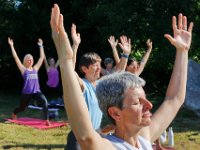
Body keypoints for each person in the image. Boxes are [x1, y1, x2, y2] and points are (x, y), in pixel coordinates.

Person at [51, 4, 193, 149]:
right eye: (137, 102)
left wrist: (182, 51)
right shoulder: (113, 147)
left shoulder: (144, 139)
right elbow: (86, 137)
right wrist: (66, 62)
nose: (149, 105)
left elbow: (174, 99)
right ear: (116, 113)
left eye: (145, 98)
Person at [65, 24, 131, 150]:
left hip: (96, 135)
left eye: (99, 65)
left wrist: (125, 55)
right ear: (84, 69)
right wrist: (75, 45)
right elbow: (69, 70)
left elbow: (118, 73)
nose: (99, 68)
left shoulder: (100, 85)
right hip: (79, 138)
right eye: (95, 65)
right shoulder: (82, 84)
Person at [8, 37, 50, 126]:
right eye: (28, 59)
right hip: (26, 93)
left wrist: (41, 46)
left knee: (45, 102)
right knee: (22, 108)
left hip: (36, 91)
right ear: (25, 61)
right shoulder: (23, 70)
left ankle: (46, 120)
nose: (30, 60)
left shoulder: (35, 68)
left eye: (31, 59)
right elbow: (16, 58)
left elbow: (42, 57)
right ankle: (14, 113)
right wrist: (12, 46)